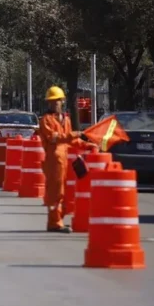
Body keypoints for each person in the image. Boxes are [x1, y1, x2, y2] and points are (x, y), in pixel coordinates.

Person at [38, 86, 96, 233]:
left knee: (64, 193)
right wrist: (75, 134)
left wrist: (87, 145)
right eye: (52, 101)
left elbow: (71, 141)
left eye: (57, 101)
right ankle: (54, 223)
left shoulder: (66, 120)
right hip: (53, 161)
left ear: (62, 101)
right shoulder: (46, 120)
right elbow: (54, 138)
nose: (55, 104)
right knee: (55, 193)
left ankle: (59, 220)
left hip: (64, 161)